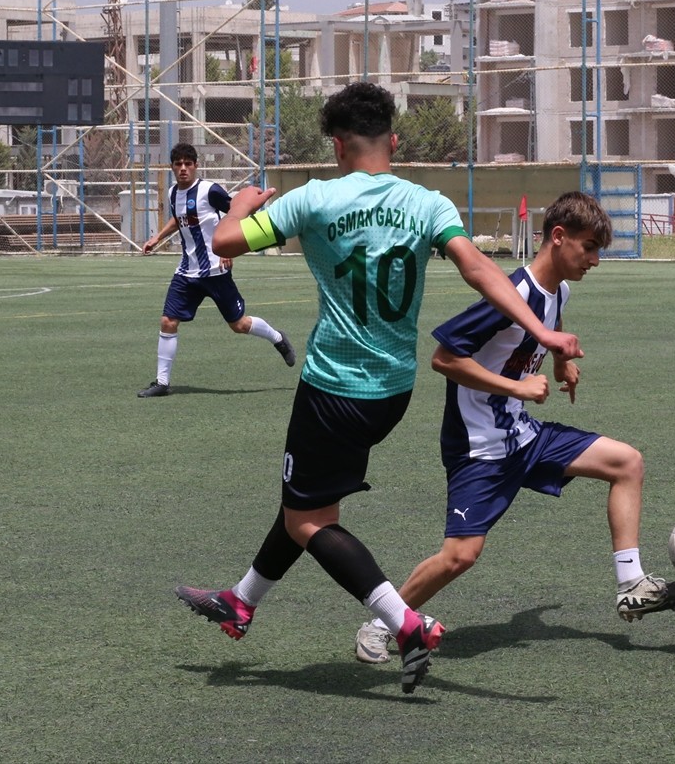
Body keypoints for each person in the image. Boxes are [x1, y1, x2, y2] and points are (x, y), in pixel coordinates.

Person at [173, 82, 582, 694]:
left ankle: (404, 621)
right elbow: (478, 268)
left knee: (310, 520)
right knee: (302, 504)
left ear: (336, 146)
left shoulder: (312, 199)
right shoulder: (427, 203)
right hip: (392, 391)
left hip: (332, 386)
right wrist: (541, 333)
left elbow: (225, 245)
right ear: (393, 141)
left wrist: (239, 206)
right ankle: (240, 600)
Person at [350, 192, 675, 665]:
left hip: (525, 436)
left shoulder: (558, 293)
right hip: (480, 447)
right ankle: (379, 625)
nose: (595, 259)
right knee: (459, 557)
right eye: (590, 247)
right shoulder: (510, 295)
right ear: (558, 238)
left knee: (626, 462)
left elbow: (542, 333)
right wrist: (514, 389)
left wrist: (559, 364)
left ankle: (631, 583)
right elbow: (444, 359)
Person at [137, 143, 295, 397]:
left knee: (240, 325)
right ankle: (162, 383)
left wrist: (228, 250)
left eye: (188, 163)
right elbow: (179, 219)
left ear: (196, 165)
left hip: (216, 270)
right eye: (178, 164)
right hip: (187, 273)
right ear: (172, 167)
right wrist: (158, 238)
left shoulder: (209, 191)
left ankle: (277, 338)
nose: (183, 169)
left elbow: (236, 213)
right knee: (168, 321)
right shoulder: (172, 193)